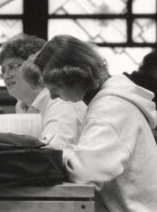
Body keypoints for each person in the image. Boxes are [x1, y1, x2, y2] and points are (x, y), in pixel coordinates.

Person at [21, 34, 157, 212]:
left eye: (55, 88)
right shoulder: (110, 100)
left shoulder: (111, 108)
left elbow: (86, 171)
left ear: (74, 78)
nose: (53, 96)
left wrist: (43, 155)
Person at [0, 33, 86, 148]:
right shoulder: (21, 104)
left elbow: (55, 152)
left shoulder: (61, 100)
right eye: (3, 70)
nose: (6, 76)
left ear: (34, 66)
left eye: (12, 67)